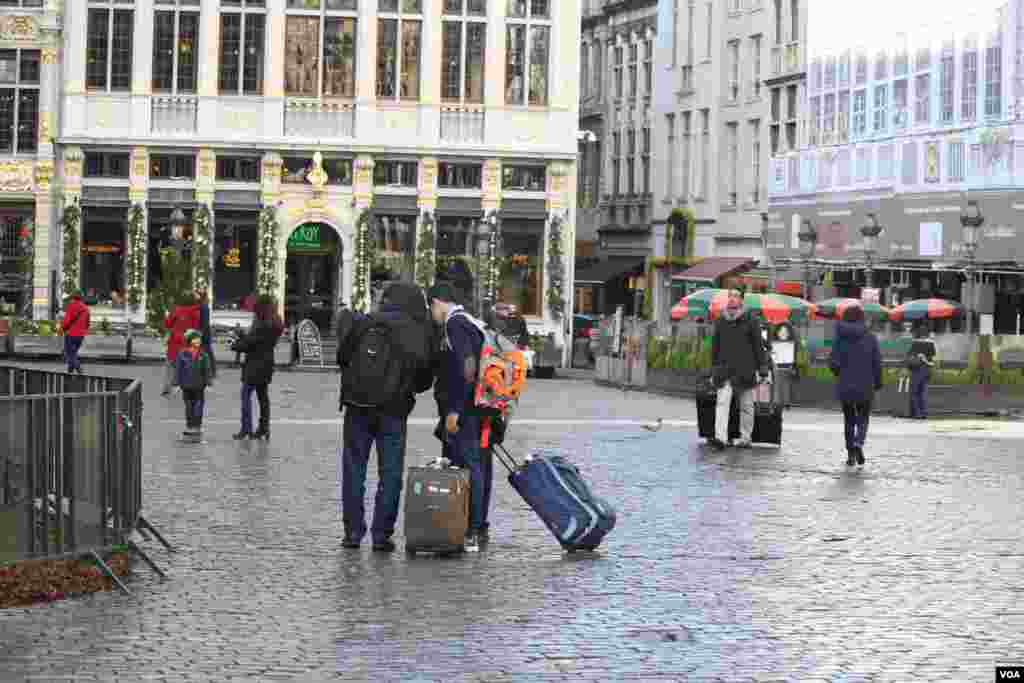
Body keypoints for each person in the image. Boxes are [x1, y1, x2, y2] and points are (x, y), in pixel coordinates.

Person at [337, 282, 434, 552]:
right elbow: (424, 376)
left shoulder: (365, 322)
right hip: (393, 409)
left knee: (353, 469)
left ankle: (352, 532)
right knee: (390, 473)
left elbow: (342, 357)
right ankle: (381, 534)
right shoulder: (413, 330)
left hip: (357, 405)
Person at [428, 281, 488, 551]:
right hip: (475, 407)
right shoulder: (471, 321)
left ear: (439, 302)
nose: (432, 313)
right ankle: (466, 526)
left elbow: (467, 367)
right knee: (470, 465)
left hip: (464, 410)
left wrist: (454, 411)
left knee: (469, 466)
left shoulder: (455, 325)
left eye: (431, 307)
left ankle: (471, 531)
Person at [708, 290, 770, 451]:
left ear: (742, 300)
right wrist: (713, 369)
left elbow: (758, 346)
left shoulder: (751, 320)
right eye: (729, 296)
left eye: (735, 296)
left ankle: (745, 438)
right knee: (722, 403)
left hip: (745, 369)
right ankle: (720, 438)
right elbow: (715, 347)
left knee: (747, 406)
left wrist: (762, 368)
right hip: (724, 370)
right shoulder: (721, 320)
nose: (731, 299)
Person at [829, 305, 882, 467]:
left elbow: (833, 362)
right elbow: (877, 363)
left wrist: (840, 372)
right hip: (865, 384)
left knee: (849, 419)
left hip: (845, 384)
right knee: (863, 418)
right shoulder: (871, 338)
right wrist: (878, 382)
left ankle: (851, 453)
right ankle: (859, 443)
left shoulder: (840, 338)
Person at [230, 296, 285, 440]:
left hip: (254, 365)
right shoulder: (274, 323)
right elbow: (254, 340)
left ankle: (246, 428)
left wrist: (235, 344)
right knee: (263, 398)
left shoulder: (261, 324)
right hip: (267, 365)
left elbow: (250, 344)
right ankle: (264, 428)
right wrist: (244, 335)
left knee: (246, 396)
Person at [176, 329, 212, 441]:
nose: (198, 341)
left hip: (199, 385)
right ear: (190, 340)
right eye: (195, 338)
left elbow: (207, 370)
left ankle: (197, 425)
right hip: (186, 385)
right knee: (188, 405)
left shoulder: (203, 354)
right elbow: (178, 369)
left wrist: (208, 382)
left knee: (199, 405)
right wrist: (177, 383)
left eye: (199, 339)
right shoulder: (182, 354)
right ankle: (190, 425)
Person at [163, 295, 201, 396]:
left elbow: (167, 324)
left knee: (170, 366)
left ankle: (167, 387)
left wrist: (167, 315)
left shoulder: (176, 310)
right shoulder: (195, 312)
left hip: (174, 342)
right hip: (186, 342)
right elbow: (196, 328)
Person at [907, 325, 937, 420]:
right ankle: (924, 413)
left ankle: (917, 413)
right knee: (923, 392)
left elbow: (909, 355)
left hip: (917, 369)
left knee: (914, 392)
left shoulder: (915, 343)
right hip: (927, 370)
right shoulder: (931, 343)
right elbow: (933, 356)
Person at [61, 291, 91, 375]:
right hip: (80, 335)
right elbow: (87, 323)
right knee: (73, 353)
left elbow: (66, 322)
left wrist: (62, 329)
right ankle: (69, 371)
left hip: (70, 334)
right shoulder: (86, 308)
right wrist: (83, 330)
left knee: (69, 354)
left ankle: (79, 368)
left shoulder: (71, 306)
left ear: (73, 298)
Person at [196, 289, 217, 383]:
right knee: (207, 351)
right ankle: (210, 371)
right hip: (204, 332)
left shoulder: (203, 307)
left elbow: (204, 322)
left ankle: (211, 371)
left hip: (204, 332)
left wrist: (200, 333)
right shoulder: (202, 306)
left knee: (207, 351)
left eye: (197, 295)